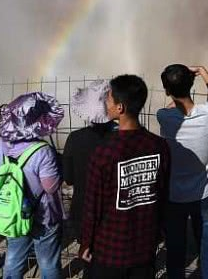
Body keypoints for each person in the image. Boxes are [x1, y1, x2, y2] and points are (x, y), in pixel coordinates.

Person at [80, 75, 170, 279]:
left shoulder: (104, 152)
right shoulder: (159, 146)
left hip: (109, 249)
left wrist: (86, 242)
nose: (105, 102)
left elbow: (93, 206)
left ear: (120, 107)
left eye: (108, 98)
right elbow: (162, 193)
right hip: (144, 245)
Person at [157, 64, 208, 279]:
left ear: (167, 91)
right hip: (205, 194)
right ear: (191, 86)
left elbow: (171, 106)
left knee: (175, 249)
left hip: (174, 196)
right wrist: (202, 71)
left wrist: (175, 89)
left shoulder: (163, 116)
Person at [0, 92, 65, 279]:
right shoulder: (43, 151)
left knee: (14, 257)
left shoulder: (2, 145)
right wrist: (60, 168)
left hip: (14, 211)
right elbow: (50, 187)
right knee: (47, 262)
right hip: (43, 214)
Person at [63, 81, 116, 238]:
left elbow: (69, 179)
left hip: (83, 209)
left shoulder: (75, 138)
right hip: (116, 212)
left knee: (87, 249)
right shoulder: (124, 139)